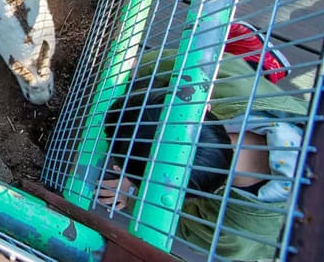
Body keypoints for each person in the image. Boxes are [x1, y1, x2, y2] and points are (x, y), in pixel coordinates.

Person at [98, 24, 306, 261]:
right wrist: (137, 65)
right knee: (227, 68)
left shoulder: (235, 236)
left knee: (230, 70)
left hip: (298, 235)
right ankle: (259, 65)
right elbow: (177, 64)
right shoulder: (235, 85)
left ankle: (260, 66)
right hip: (273, 105)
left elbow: (182, 223)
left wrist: (133, 193)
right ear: (201, 107)